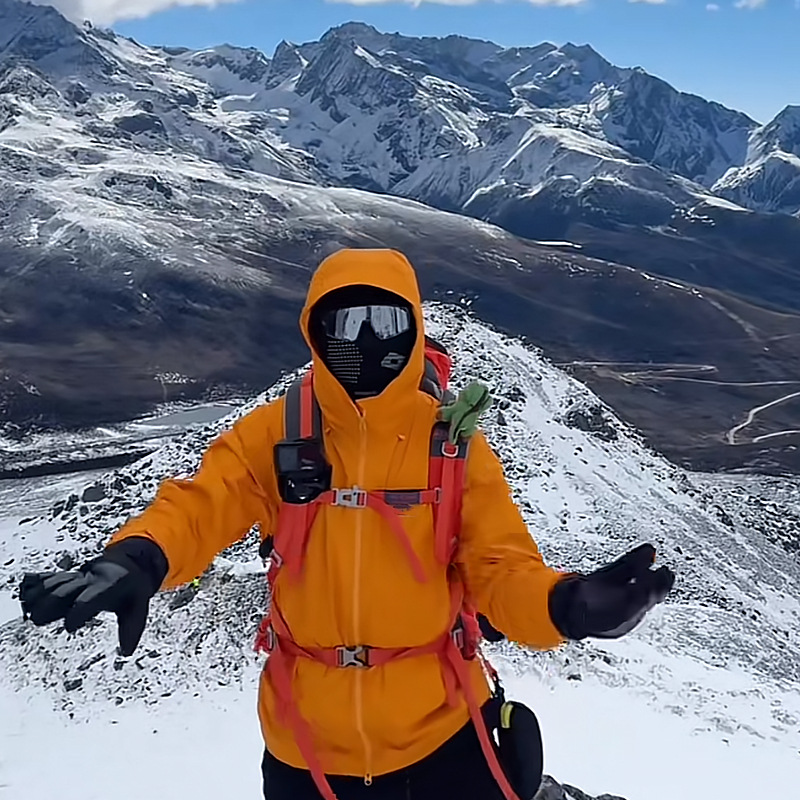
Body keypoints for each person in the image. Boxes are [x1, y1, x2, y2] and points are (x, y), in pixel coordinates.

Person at [20, 249, 674, 800]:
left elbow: (501, 569)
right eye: (346, 322)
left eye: (385, 320)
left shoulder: (449, 447)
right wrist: (141, 556)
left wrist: (565, 605)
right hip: (307, 746)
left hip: (441, 731)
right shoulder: (280, 434)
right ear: (316, 330)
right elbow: (202, 504)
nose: (365, 341)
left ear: (413, 328)